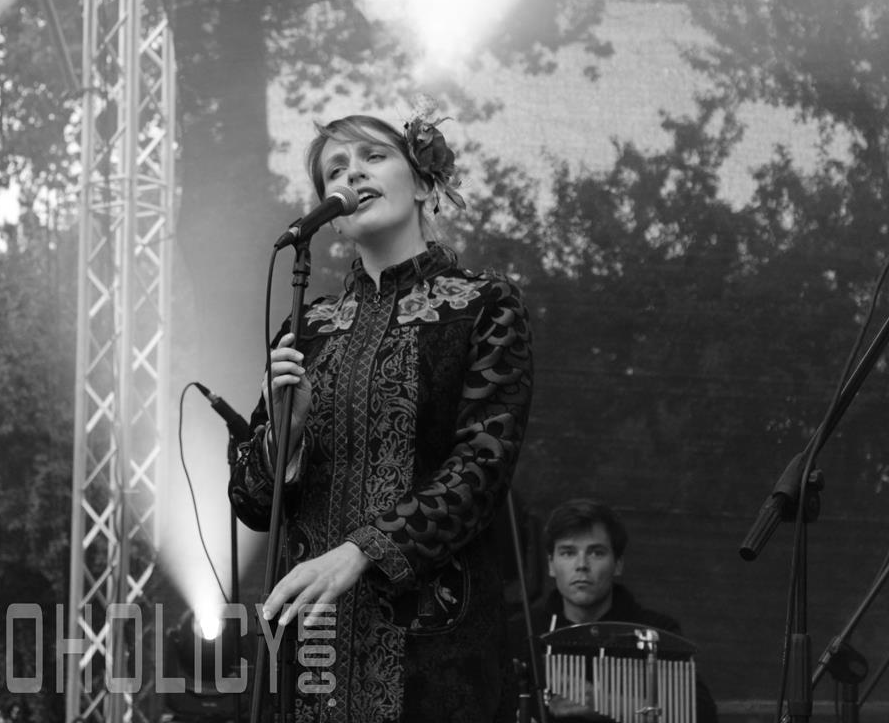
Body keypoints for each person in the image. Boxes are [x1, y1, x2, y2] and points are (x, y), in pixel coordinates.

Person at [228, 112, 534, 722]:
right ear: (333, 217)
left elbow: (482, 466)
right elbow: (253, 503)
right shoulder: (306, 327)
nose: (353, 174)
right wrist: (284, 438)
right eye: (336, 170)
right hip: (312, 653)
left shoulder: (482, 305)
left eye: (373, 157)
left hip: (435, 646)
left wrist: (362, 551)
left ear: (421, 183)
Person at [515, 499, 717, 723]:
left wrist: (605, 704)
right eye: (568, 553)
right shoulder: (522, 631)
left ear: (618, 564)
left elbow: (702, 715)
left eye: (596, 553)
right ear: (551, 565)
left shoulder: (656, 632)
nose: (581, 565)